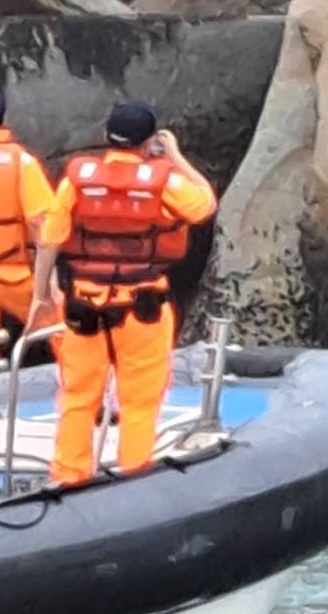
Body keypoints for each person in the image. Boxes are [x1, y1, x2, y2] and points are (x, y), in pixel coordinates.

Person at [34, 101, 217, 487]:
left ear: (107, 137)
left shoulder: (76, 181)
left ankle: (68, 475)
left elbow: (50, 238)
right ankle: (134, 476)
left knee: (78, 396)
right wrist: (176, 156)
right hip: (142, 304)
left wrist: (42, 296)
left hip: (82, 302)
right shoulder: (166, 181)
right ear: (148, 141)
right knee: (139, 400)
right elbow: (204, 206)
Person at [0, 84, 58, 481]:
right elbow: (45, 225)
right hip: (13, 275)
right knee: (68, 334)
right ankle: (93, 409)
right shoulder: (19, 163)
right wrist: (49, 286)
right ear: (2, 118)